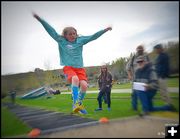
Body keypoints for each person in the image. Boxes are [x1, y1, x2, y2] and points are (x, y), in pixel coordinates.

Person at [33, 13, 112, 114]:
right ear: (65, 35)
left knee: (84, 85)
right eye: (70, 34)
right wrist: (41, 20)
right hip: (68, 68)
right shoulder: (61, 41)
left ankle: (79, 103)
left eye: (74, 34)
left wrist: (104, 30)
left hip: (80, 69)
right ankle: (75, 104)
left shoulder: (80, 40)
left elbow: (93, 37)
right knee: (75, 79)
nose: (72, 36)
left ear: (76, 34)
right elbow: (51, 31)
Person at [126, 45, 150, 111]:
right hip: (136, 79)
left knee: (144, 94)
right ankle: (134, 107)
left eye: (141, 49)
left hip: (145, 79)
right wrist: (130, 75)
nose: (140, 50)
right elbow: (127, 68)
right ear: (136, 50)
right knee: (134, 94)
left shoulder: (146, 57)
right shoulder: (133, 58)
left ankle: (146, 108)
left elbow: (150, 67)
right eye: (138, 49)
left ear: (143, 50)